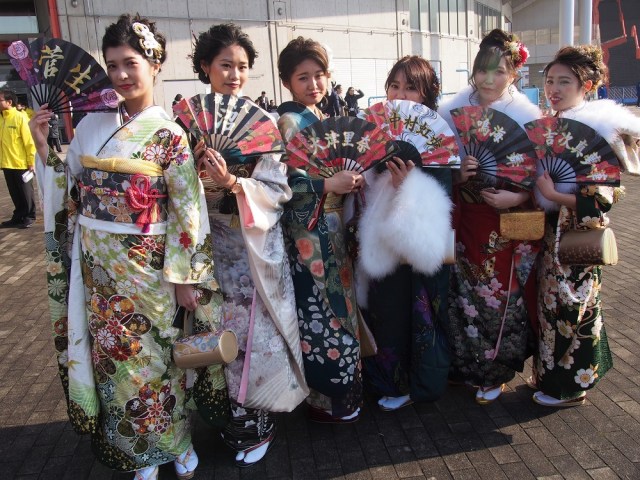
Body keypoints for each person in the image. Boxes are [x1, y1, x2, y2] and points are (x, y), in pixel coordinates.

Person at [29, 14, 212, 479]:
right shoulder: (91, 126)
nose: (121, 74)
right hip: (100, 271)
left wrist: (185, 278)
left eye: (130, 63)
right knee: (115, 361)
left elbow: (188, 211)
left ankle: (177, 442)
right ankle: (139, 451)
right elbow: (69, 189)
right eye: (112, 65)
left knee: (159, 359)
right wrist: (43, 146)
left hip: (150, 269)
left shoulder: (170, 135)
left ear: (155, 64)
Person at [190, 23, 308, 466]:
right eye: (225, 65)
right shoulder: (188, 125)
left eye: (242, 66)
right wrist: (195, 178)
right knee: (215, 334)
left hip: (251, 247)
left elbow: (277, 190)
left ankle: (258, 425)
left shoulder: (262, 125)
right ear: (206, 67)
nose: (235, 75)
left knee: (253, 337)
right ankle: (223, 418)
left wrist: (232, 183)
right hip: (207, 245)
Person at [532, 45, 640, 407]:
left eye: (564, 81)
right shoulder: (549, 125)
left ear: (587, 85)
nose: (554, 89)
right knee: (549, 308)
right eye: (550, 81)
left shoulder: (599, 128)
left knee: (573, 308)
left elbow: (606, 196)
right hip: (551, 232)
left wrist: (554, 194)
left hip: (578, 234)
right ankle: (548, 379)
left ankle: (571, 387)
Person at [439, 29, 541, 405]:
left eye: (499, 71)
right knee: (462, 294)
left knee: (499, 295)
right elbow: (437, 166)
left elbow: (542, 174)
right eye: (482, 70)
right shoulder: (451, 113)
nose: (488, 79)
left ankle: (494, 370)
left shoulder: (526, 117)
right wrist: (457, 174)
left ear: (513, 74)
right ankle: (465, 365)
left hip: (504, 224)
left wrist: (519, 194)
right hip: (465, 218)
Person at [357, 56, 453, 411]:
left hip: (416, 242)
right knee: (385, 311)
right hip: (380, 238)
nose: (400, 94)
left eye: (411, 87)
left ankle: (415, 383)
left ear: (426, 95)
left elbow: (443, 198)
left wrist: (407, 187)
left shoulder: (436, 137)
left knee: (417, 313)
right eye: (394, 86)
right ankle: (386, 380)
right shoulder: (376, 131)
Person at [276, 36, 364, 423]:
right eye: (303, 77)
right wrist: (329, 184)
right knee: (321, 311)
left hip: (331, 226)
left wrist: (350, 181)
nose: (313, 84)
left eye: (319, 75)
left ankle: (345, 392)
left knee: (341, 306)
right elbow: (282, 185)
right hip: (307, 234)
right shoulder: (288, 122)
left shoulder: (319, 117)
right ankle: (327, 398)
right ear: (286, 82)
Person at [0, 89, 36, 229]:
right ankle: (18, 216)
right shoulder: (1, 119)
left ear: (9, 102)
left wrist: (31, 161)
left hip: (21, 163)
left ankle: (29, 216)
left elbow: (29, 142)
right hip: (6, 163)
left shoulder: (20, 117)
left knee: (26, 193)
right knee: (14, 193)